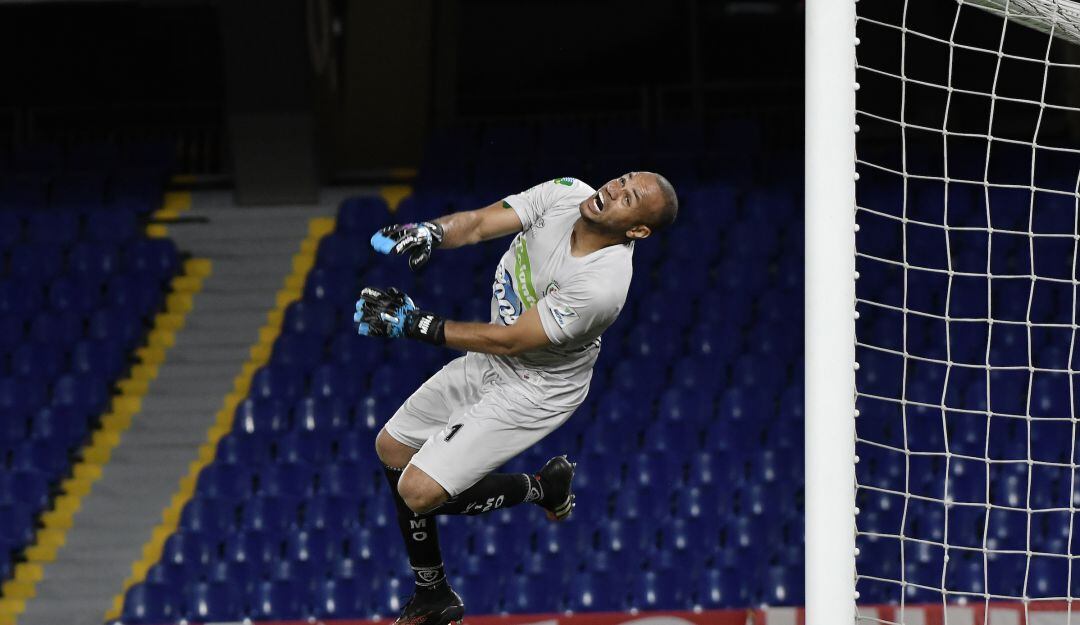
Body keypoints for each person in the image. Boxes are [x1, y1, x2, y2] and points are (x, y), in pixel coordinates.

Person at [354, 172, 678, 625]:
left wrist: (418, 325)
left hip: (535, 388)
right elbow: (482, 224)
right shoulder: (567, 193)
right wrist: (432, 231)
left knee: (417, 492)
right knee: (391, 447)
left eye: (629, 197)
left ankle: (542, 488)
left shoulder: (601, 286)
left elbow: (510, 341)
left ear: (638, 230)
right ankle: (433, 592)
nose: (612, 190)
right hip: (491, 360)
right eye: (621, 179)